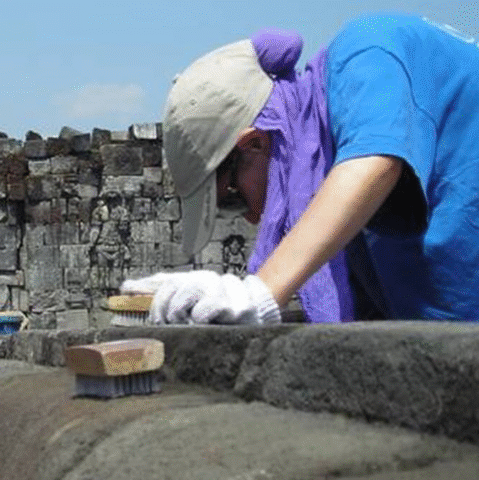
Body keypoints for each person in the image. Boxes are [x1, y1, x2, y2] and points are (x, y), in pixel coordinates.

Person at [122, 13, 479, 324]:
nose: (252, 218)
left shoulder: (368, 50)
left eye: (233, 199)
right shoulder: (331, 185)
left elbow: (375, 162)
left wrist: (259, 293)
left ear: (255, 143)